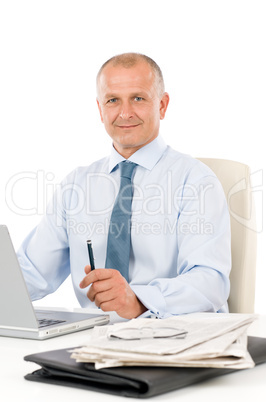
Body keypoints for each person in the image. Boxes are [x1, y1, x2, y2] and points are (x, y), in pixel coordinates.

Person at [17, 52, 231, 319]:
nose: (125, 113)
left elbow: (211, 283)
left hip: (178, 338)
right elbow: (32, 272)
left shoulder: (197, 181)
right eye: (113, 100)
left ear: (162, 105)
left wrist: (139, 300)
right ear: (100, 109)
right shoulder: (76, 186)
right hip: (97, 342)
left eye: (138, 98)